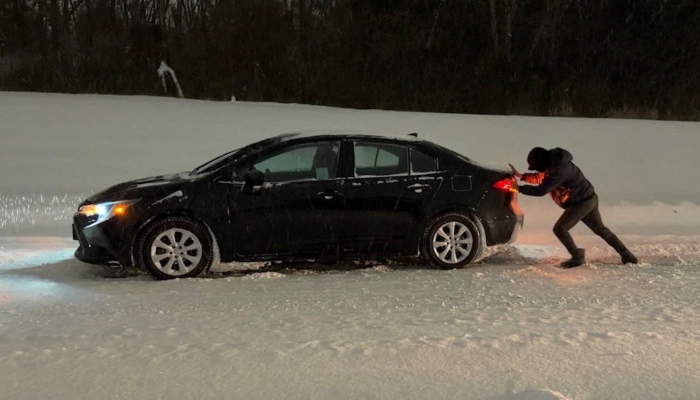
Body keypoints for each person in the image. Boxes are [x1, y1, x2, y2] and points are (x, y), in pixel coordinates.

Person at [509, 147, 638, 268]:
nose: (536, 170)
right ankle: (627, 255)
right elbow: (541, 177)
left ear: (543, 163)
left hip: (581, 203)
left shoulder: (559, 170)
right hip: (589, 198)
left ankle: (577, 256)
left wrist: (519, 188)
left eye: (537, 167)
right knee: (601, 230)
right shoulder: (554, 164)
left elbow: (542, 190)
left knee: (560, 228)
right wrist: (522, 177)